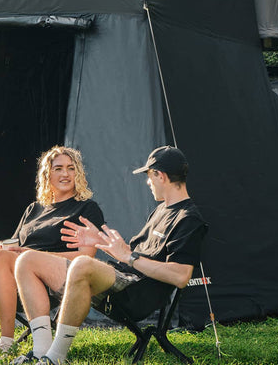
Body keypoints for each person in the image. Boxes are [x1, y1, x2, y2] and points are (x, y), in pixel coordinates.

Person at [12, 145, 205, 364]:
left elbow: (180, 277)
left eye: (149, 176)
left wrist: (129, 257)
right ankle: (40, 351)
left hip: (139, 292)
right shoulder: (162, 209)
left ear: (159, 175)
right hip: (124, 276)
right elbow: (133, 254)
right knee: (27, 260)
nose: (148, 182)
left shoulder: (188, 219)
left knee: (82, 263)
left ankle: (55, 358)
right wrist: (102, 242)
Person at [0, 146, 105, 361]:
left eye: (70, 168)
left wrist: (27, 253)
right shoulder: (34, 209)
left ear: (78, 173)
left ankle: (6, 343)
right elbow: (14, 247)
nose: (65, 174)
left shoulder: (87, 208)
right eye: (58, 169)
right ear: (48, 175)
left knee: (1, 258)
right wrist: (4, 250)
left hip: (55, 278)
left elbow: (85, 259)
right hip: (17, 279)